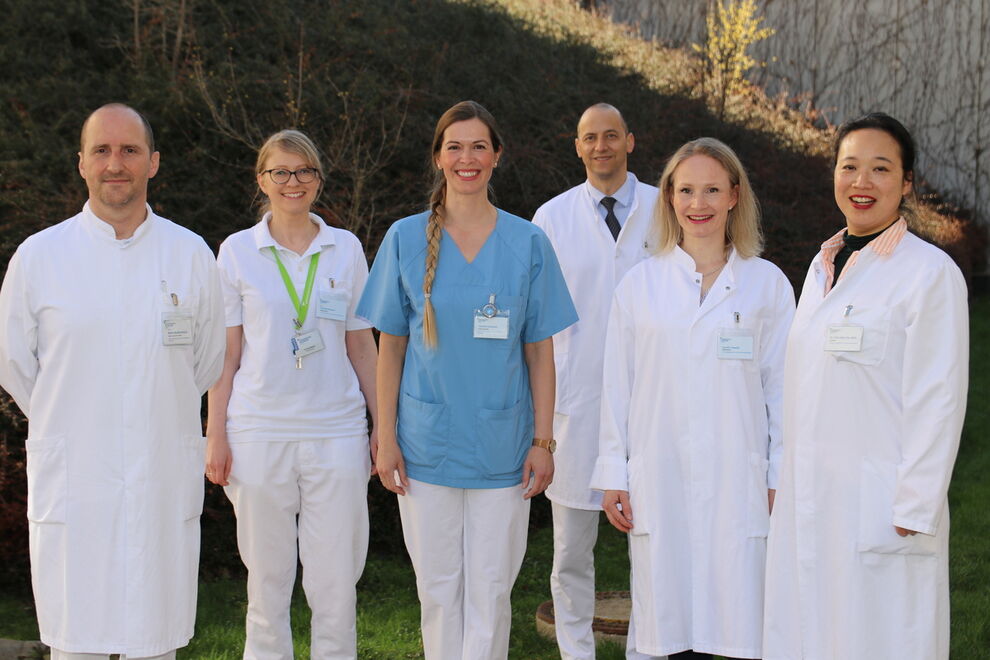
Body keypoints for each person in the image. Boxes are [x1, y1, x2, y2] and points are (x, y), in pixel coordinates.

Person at [0, 103, 225, 660]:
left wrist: (146, 409)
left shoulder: (190, 253)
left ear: (153, 162)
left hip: (159, 478)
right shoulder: (40, 257)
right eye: (101, 150)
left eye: (129, 150)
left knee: (156, 641)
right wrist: (70, 418)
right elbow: (14, 365)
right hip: (77, 484)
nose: (114, 163)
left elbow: (206, 361)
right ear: (81, 163)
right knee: (76, 642)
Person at [356, 100, 577, 660]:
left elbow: (540, 354)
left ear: (497, 156)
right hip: (425, 444)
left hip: (504, 448)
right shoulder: (406, 239)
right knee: (437, 592)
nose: (467, 158)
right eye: (454, 146)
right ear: (438, 158)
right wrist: (385, 438)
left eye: (479, 145)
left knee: (490, 593)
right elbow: (390, 349)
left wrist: (544, 442)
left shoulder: (528, 243)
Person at [762, 113, 968, 660]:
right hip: (811, 497)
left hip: (880, 508)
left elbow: (939, 398)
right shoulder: (822, 264)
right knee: (810, 634)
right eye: (850, 166)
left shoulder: (929, 273)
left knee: (879, 638)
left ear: (906, 184)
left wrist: (914, 505)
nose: (861, 182)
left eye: (880, 169)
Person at [592, 138, 795, 659]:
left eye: (711, 189)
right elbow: (619, 385)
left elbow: (784, 391)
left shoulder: (766, 284)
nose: (698, 204)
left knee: (737, 624)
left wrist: (779, 475)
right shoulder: (640, 286)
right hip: (661, 476)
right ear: (669, 198)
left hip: (739, 479)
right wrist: (614, 471)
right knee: (670, 622)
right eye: (686, 190)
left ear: (734, 195)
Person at [204, 129, 378, 660]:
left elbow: (362, 347)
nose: (292, 182)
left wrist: (382, 429)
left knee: (334, 587)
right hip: (258, 433)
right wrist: (215, 436)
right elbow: (225, 356)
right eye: (280, 172)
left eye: (303, 171)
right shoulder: (236, 251)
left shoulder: (344, 248)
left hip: (338, 434)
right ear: (262, 180)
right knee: (267, 584)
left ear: (319, 179)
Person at [532, 102, 659, 660]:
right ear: (577, 146)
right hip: (575, 404)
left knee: (652, 546)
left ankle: (650, 648)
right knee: (569, 552)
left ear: (630, 141)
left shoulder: (667, 207)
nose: (601, 146)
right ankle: (576, 651)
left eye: (612, 135)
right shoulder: (550, 219)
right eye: (590, 137)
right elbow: (534, 322)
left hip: (654, 400)